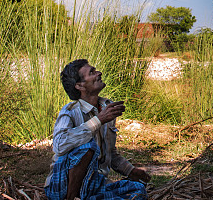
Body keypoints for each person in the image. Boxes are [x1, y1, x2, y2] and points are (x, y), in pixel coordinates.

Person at [45, 59, 151, 200]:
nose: (99, 73)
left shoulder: (106, 107)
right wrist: (98, 120)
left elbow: (109, 154)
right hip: (62, 187)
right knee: (88, 147)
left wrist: (131, 170)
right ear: (79, 85)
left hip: (95, 184)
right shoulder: (69, 112)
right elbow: (59, 145)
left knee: (138, 190)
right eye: (92, 72)